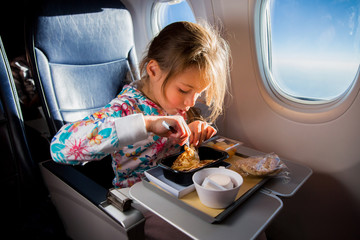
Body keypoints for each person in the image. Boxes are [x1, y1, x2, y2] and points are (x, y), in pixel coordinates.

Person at [50, 21, 231, 189]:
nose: (191, 102)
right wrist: (147, 124)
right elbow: (59, 149)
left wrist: (193, 130)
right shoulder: (126, 107)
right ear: (153, 70)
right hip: (140, 194)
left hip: (175, 185)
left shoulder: (175, 104)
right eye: (184, 90)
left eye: (198, 93)